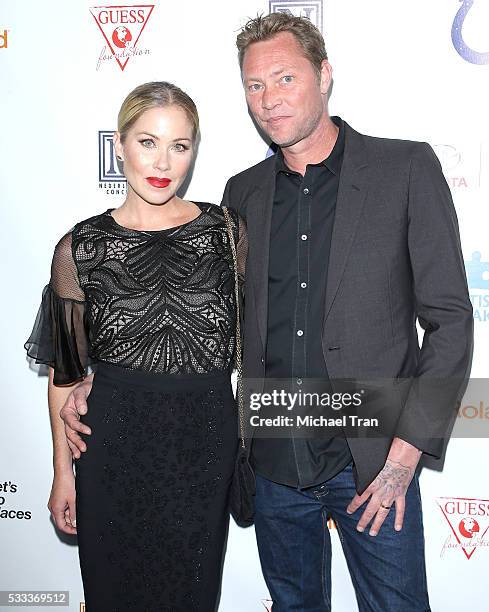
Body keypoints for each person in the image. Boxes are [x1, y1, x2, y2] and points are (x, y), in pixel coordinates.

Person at [60, 13, 473, 612]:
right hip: (275, 463)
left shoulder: (404, 169)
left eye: (284, 78)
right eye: (254, 85)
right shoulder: (241, 195)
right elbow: (196, 317)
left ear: (324, 74)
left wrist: (407, 451)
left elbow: (451, 321)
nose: (269, 100)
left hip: (374, 460)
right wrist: (100, 375)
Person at [25, 81, 247, 612]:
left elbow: (250, 342)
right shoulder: (80, 247)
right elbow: (65, 374)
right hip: (113, 447)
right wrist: (63, 475)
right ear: (118, 145)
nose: (163, 161)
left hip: (204, 444)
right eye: (148, 141)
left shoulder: (226, 232)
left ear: (194, 150)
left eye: (180, 145)